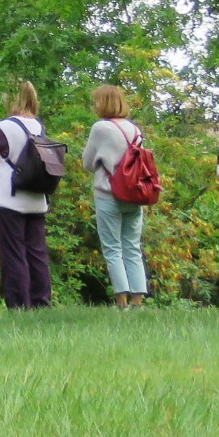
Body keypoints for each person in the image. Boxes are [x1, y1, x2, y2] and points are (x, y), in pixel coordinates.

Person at [0, 79, 53, 310]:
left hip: (10, 198)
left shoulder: (5, 127)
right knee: (37, 252)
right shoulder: (39, 126)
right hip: (36, 197)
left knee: (13, 253)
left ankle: (20, 304)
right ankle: (41, 300)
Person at [82, 84, 149, 309]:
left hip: (108, 194)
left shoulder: (101, 128)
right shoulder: (135, 130)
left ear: (104, 102)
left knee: (112, 248)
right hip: (135, 195)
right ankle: (138, 301)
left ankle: (121, 300)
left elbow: (88, 163)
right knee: (132, 246)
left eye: (97, 101)